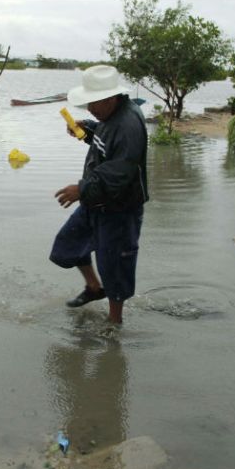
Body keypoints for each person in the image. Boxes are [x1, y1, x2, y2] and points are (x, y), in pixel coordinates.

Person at [49, 65, 149, 324]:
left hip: (119, 209)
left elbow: (119, 173)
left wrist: (81, 190)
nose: (90, 109)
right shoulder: (108, 116)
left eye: (94, 104)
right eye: (88, 104)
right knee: (67, 246)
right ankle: (94, 287)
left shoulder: (128, 125)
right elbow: (106, 143)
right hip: (96, 202)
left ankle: (114, 324)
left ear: (111, 97)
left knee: (115, 268)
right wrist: (89, 130)